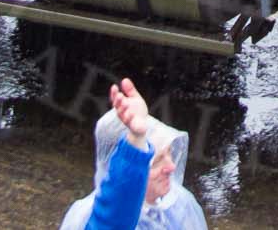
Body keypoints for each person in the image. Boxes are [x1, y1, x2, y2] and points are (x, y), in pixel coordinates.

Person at [58, 79, 205, 230]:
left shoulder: (179, 205)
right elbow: (114, 217)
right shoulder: (84, 219)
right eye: (157, 162)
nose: (171, 167)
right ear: (113, 169)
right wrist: (136, 140)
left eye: (169, 154)